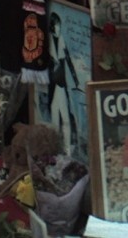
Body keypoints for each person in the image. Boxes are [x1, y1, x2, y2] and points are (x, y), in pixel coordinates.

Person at [48, 12, 79, 155]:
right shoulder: (49, 41)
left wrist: (76, 79)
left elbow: (69, 62)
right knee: (55, 114)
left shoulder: (61, 41)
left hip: (60, 83)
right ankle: (57, 147)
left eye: (59, 25)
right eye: (57, 25)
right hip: (52, 83)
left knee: (63, 116)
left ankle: (66, 148)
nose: (59, 28)